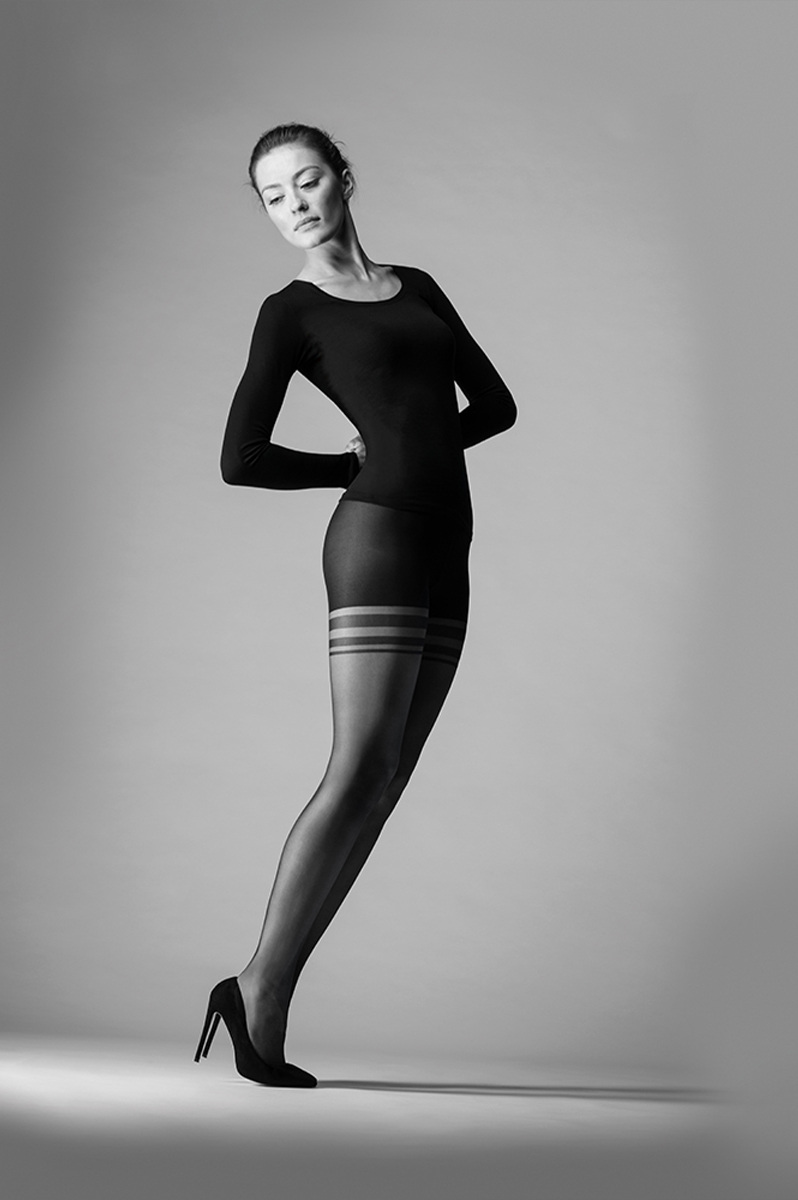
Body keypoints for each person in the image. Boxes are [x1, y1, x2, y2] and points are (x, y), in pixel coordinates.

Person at [194, 124, 517, 1087]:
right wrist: (352, 466)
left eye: (307, 181)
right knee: (358, 768)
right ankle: (260, 989)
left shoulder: (417, 287)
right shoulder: (290, 311)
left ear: (343, 179)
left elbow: (496, 405)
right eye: (273, 195)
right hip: (375, 538)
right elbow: (240, 459)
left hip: (449, 537)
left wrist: (419, 450)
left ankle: (262, 988)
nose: (294, 204)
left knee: (387, 781)